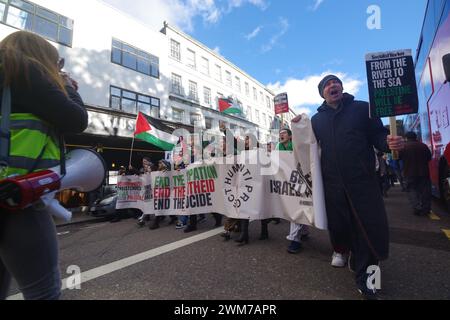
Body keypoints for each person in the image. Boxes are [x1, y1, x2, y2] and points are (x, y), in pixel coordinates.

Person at [293, 74, 403, 299]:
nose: (333, 85)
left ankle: (371, 281)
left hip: (363, 183)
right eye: (327, 85)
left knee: (370, 231)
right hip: (332, 186)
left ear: (342, 88)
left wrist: (389, 142)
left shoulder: (363, 109)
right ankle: (348, 252)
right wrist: (298, 127)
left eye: (336, 82)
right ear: (322, 93)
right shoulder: (317, 120)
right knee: (341, 228)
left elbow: (378, 136)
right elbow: (307, 147)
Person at [0, 31, 87, 300]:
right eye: (56, 61)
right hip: (15, 197)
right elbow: (76, 120)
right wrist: (67, 86)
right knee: (43, 291)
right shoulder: (24, 70)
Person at [278, 128, 310, 254]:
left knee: (299, 206)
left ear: (290, 136)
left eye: (284, 133)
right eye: (280, 134)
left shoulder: (296, 145)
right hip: (288, 180)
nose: (281, 135)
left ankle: (295, 239)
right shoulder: (279, 147)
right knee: (298, 206)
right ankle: (303, 231)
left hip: (301, 178)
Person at [399, 132, 432, 216]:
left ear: (406, 138)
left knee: (411, 190)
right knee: (425, 191)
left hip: (409, 172)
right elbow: (429, 157)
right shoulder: (423, 146)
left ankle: (417, 208)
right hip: (423, 172)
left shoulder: (403, 147)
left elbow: (398, 158)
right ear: (415, 137)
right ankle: (426, 209)